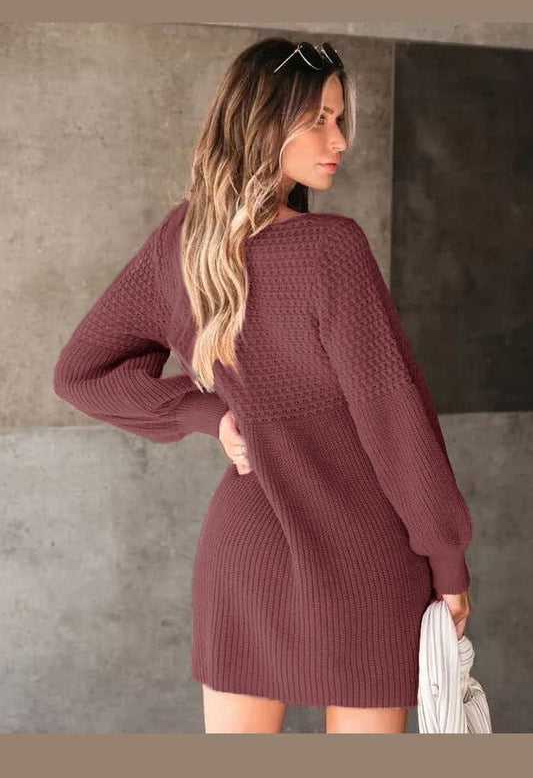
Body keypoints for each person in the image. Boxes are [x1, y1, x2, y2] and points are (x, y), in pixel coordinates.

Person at [53, 37, 473, 734]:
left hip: (243, 554)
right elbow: (393, 418)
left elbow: (81, 374)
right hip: (365, 557)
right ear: (262, 123)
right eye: (318, 119)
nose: (339, 140)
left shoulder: (182, 241)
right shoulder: (331, 247)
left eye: (339, 119)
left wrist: (206, 414)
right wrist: (448, 561)